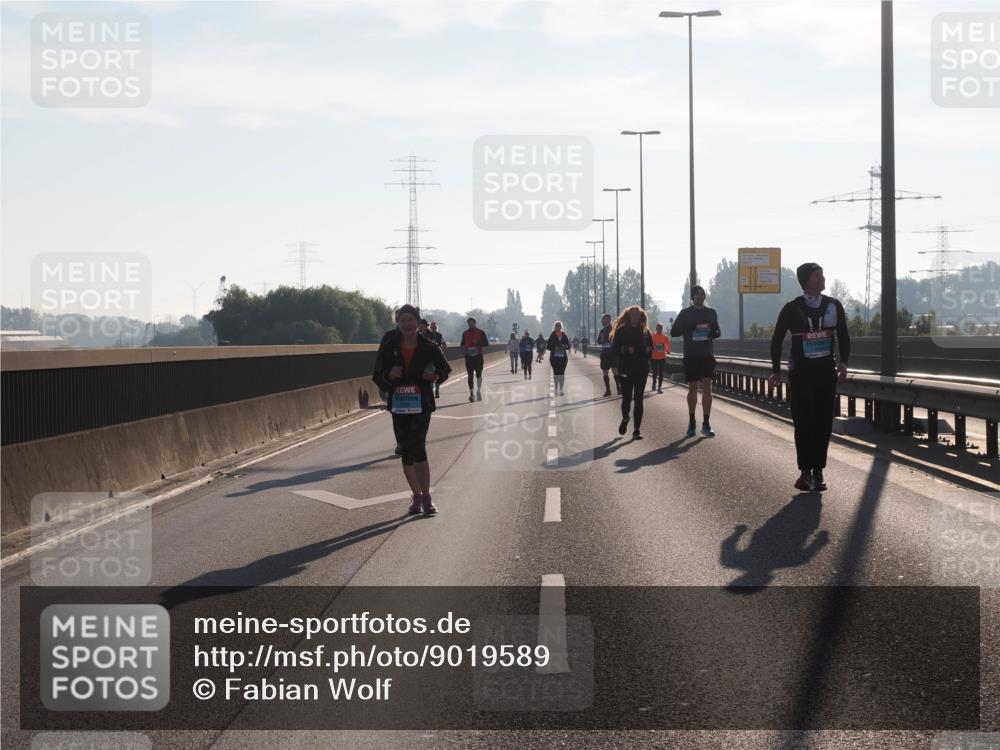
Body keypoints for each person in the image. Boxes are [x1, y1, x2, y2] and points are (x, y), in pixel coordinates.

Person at [769, 262, 851, 493]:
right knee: (804, 423)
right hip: (801, 374)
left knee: (823, 423)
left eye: (823, 274)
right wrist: (776, 371)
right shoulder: (791, 308)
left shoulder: (833, 306)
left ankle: (818, 471)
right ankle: (805, 472)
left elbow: (844, 336)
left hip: (826, 373)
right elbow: (776, 341)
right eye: (818, 276)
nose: (823, 279)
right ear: (807, 280)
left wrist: (844, 363)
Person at [372, 304, 451, 516]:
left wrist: (433, 377)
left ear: (418, 322)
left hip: (421, 403)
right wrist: (390, 377)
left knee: (418, 447)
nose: (407, 324)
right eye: (402, 320)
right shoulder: (389, 346)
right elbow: (377, 375)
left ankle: (427, 497)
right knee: (406, 451)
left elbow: (445, 369)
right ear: (398, 323)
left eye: (410, 319)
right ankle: (416, 496)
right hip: (399, 404)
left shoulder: (429, 346)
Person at [671, 285, 721, 438]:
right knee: (693, 388)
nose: (700, 296)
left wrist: (714, 332)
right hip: (691, 356)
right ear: (692, 298)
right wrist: (687, 327)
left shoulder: (711, 313)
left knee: (707, 386)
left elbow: (718, 331)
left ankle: (706, 423)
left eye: (702, 294)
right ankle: (692, 421)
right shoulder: (685, 314)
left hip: (707, 355)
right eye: (697, 295)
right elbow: (674, 332)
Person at [611, 306, 654, 440]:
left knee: (639, 399)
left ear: (641, 316)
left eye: (637, 314)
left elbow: (650, 351)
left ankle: (636, 429)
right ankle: (625, 418)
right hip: (626, 369)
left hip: (641, 369)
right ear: (628, 316)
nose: (635, 316)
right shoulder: (621, 330)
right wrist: (625, 349)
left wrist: (648, 351)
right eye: (632, 314)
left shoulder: (646, 332)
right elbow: (614, 350)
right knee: (627, 399)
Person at [460, 317, 489, 402]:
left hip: (478, 356)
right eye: (469, 323)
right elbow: (462, 344)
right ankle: (471, 394)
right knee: (470, 375)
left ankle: (478, 390)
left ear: (475, 323)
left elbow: (486, 343)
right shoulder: (465, 333)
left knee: (479, 375)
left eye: (472, 323)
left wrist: (478, 343)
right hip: (469, 357)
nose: (470, 325)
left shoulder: (481, 332)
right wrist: (463, 352)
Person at [596, 313, 621, 397]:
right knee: (605, 372)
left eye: (604, 319)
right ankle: (608, 390)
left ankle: (618, 388)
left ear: (609, 320)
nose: (603, 321)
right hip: (604, 354)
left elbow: (617, 340)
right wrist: (601, 339)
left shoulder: (613, 329)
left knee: (615, 371)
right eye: (602, 319)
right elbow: (598, 341)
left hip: (612, 354)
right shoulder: (602, 331)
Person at [547, 321, 571, 396]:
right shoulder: (552, 335)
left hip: (563, 358)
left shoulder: (564, 335)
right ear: (555, 327)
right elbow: (548, 346)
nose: (558, 327)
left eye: (559, 326)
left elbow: (568, 346)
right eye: (557, 326)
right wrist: (555, 347)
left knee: (561, 374)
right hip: (554, 358)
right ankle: (556, 388)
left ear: (561, 327)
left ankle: (560, 390)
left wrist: (564, 346)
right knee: (556, 373)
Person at [427, 321, 446, 398]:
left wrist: (441, 352)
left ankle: (436, 391)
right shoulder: (428, 335)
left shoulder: (439, 335)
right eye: (432, 327)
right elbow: (444, 345)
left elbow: (444, 345)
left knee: (437, 373)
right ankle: (433, 390)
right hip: (430, 358)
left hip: (437, 357)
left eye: (434, 327)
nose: (433, 328)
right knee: (432, 374)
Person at [650, 322, 670, 393]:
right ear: (656, 329)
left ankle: (659, 388)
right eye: (658, 328)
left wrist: (668, 351)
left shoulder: (665, 337)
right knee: (655, 372)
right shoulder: (652, 337)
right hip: (654, 357)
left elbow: (668, 345)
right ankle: (654, 383)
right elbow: (651, 345)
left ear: (662, 329)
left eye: (661, 328)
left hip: (662, 357)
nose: (660, 329)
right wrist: (651, 350)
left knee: (661, 373)